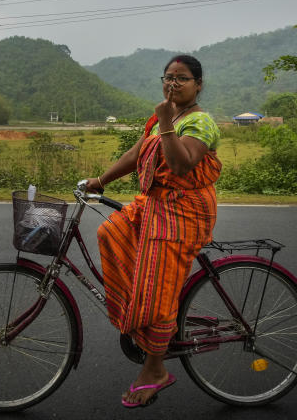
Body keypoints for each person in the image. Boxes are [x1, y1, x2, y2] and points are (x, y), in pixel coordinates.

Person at [84, 54, 221, 408]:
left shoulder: (200, 122)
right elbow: (137, 154)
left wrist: (165, 122)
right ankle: (141, 311)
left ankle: (155, 369)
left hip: (183, 213)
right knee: (109, 233)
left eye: (182, 78)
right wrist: (100, 181)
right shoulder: (163, 119)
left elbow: (180, 164)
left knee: (157, 288)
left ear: (198, 84)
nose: (173, 83)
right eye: (168, 77)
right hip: (156, 205)